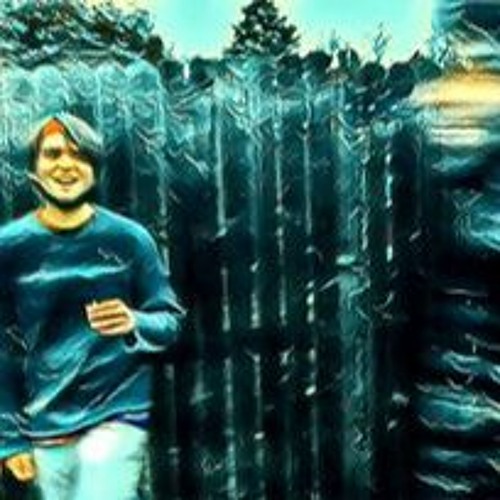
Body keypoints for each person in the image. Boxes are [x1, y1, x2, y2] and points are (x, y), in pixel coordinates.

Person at [0, 112, 185, 499]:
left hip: (117, 412)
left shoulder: (129, 239)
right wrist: (9, 439)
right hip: (45, 421)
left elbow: (170, 321)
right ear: (33, 167)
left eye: (79, 154)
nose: (66, 164)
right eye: (53, 154)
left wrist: (134, 321)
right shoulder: (10, 246)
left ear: (95, 168)